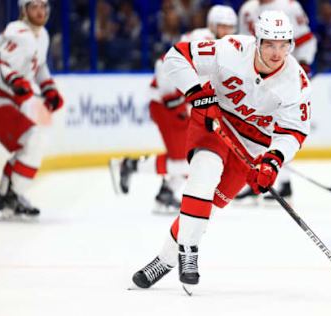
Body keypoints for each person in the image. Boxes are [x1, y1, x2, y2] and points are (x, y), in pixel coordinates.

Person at [131, 11, 312, 295]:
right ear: (257, 40)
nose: (277, 53)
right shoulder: (232, 49)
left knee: (208, 208)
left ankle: (164, 260)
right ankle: (189, 250)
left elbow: (294, 132)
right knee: (204, 175)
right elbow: (176, 57)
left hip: (251, 146)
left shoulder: (296, 82)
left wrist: (273, 161)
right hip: (214, 123)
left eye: (283, 45)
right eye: (269, 44)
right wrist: (196, 92)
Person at [109, 5, 237, 213]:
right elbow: (165, 62)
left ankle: (165, 193)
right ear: (213, 25)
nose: (227, 32)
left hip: (184, 106)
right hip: (166, 104)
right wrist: (170, 97)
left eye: (231, 27)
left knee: (192, 156)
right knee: (185, 162)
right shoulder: (200, 39)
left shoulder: (228, 46)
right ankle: (129, 165)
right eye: (223, 26)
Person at [236, 0, 317, 203]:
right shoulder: (247, 10)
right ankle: (258, 179)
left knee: (279, 129)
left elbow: (307, 40)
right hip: (252, 78)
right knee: (254, 128)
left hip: (283, 77)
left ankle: (283, 182)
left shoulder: (289, 6)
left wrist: (303, 65)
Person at [0, 0, 64, 218]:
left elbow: (39, 66)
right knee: (34, 141)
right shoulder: (18, 32)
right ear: (24, 10)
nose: (40, 11)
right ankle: (8, 195)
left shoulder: (41, 36)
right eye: (34, 7)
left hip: (8, 102)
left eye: (43, 7)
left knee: (33, 142)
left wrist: (49, 88)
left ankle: (5, 195)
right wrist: (15, 81)